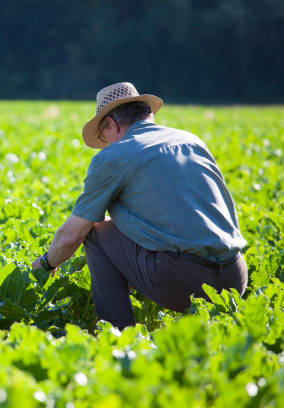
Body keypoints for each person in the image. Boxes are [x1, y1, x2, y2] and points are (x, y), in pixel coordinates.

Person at [31, 82, 247, 329]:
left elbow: (71, 237)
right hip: (234, 278)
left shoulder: (115, 156)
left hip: (186, 283)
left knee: (97, 232)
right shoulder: (191, 141)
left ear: (111, 124)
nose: (105, 144)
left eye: (103, 137)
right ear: (148, 115)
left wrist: (47, 264)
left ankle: (116, 333)